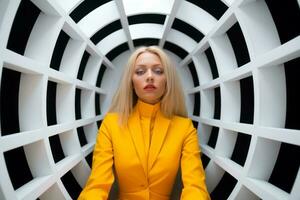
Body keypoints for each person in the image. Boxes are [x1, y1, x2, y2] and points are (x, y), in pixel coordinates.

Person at [78, 46, 210, 200]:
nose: (149, 77)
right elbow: (97, 185)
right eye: (140, 72)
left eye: (158, 71)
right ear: (131, 82)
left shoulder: (184, 128)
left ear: (168, 81)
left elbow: (195, 187)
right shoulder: (111, 124)